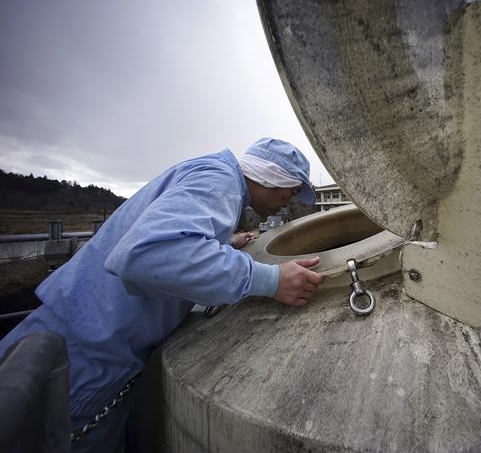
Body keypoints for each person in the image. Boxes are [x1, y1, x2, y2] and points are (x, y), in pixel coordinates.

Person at [0, 138, 324, 452]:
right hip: (82, 360)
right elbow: (147, 254)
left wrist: (220, 245)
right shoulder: (220, 179)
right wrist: (272, 280)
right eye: (292, 191)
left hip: (73, 339)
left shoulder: (211, 172)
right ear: (272, 177)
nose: (288, 201)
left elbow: (164, 240)